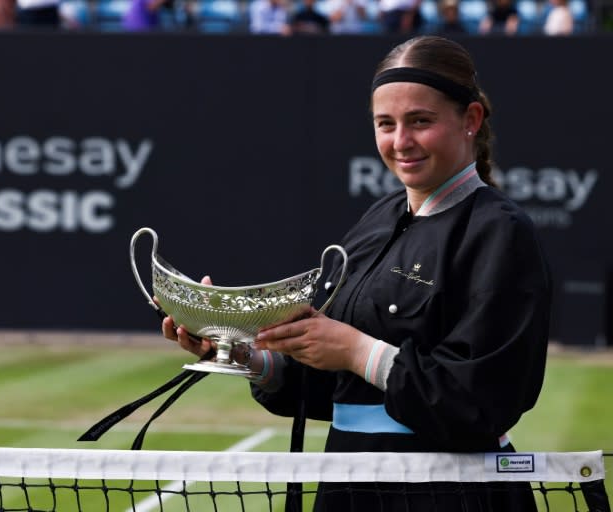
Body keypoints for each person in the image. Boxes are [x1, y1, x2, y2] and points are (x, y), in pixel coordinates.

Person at [163, 35, 551, 511]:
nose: (400, 141)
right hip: (350, 485)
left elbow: (482, 401)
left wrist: (358, 350)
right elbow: (334, 387)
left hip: (448, 494)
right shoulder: (377, 220)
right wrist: (245, 353)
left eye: (421, 122)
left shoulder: (500, 231)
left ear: (470, 120)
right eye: (385, 124)